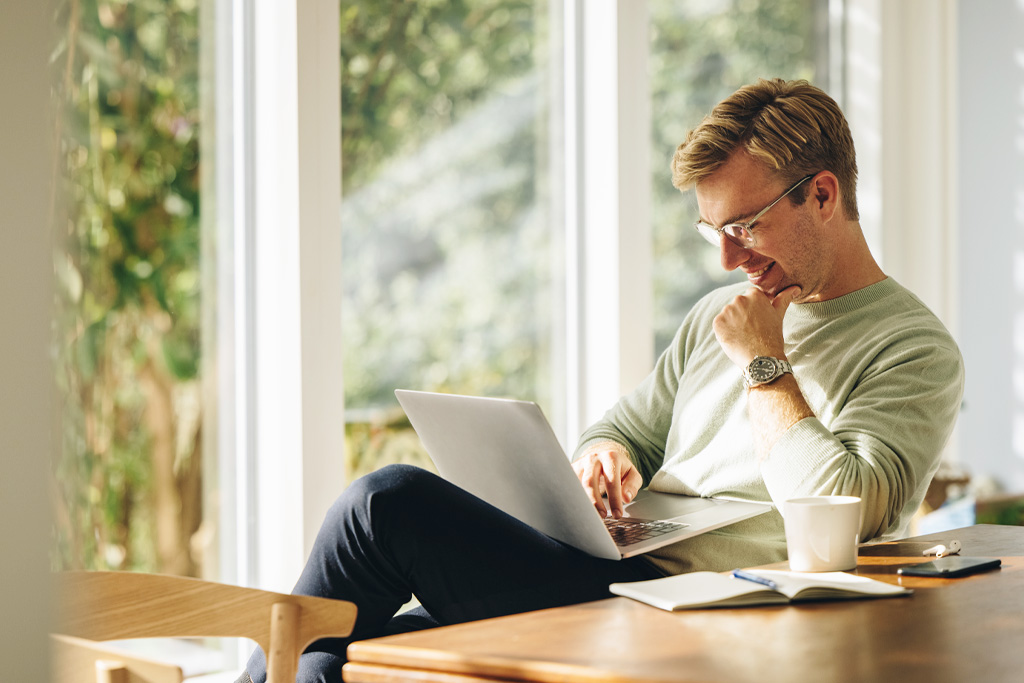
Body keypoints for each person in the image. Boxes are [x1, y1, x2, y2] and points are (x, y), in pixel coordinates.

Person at [237, 78, 964, 683]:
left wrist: (764, 363)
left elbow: (849, 509)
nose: (727, 260)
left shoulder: (913, 348)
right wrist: (602, 456)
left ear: (823, 195)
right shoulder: (718, 315)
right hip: (609, 569)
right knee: (333, 656)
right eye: (714, 231)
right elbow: (624, 428)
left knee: (384, 503)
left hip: (707, 606)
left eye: (745, 226)